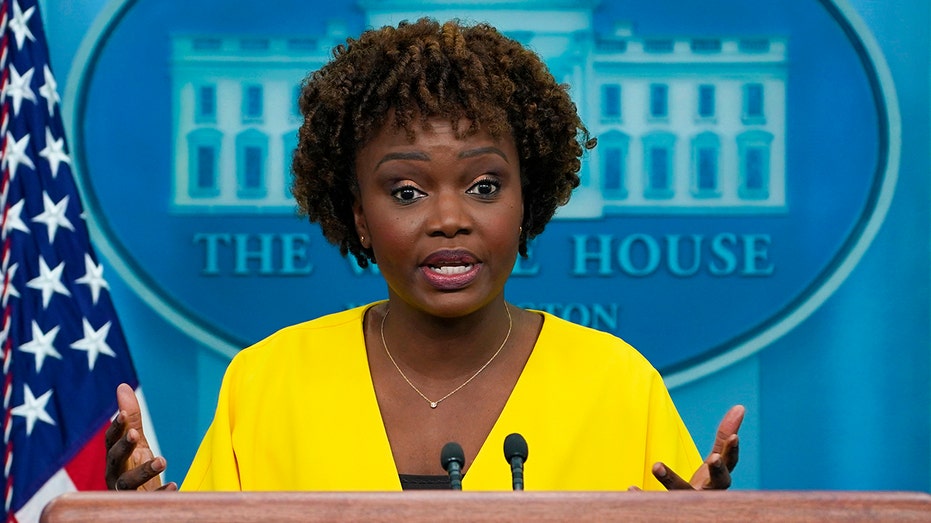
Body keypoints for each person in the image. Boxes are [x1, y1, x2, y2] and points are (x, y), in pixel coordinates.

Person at [105, 18, 743, 492]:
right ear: (359, 213)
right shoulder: (267, 382)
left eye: (485, 187)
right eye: (406, 191)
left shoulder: (618, 384)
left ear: (530, 200)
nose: (449, 220)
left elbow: (680, 505)